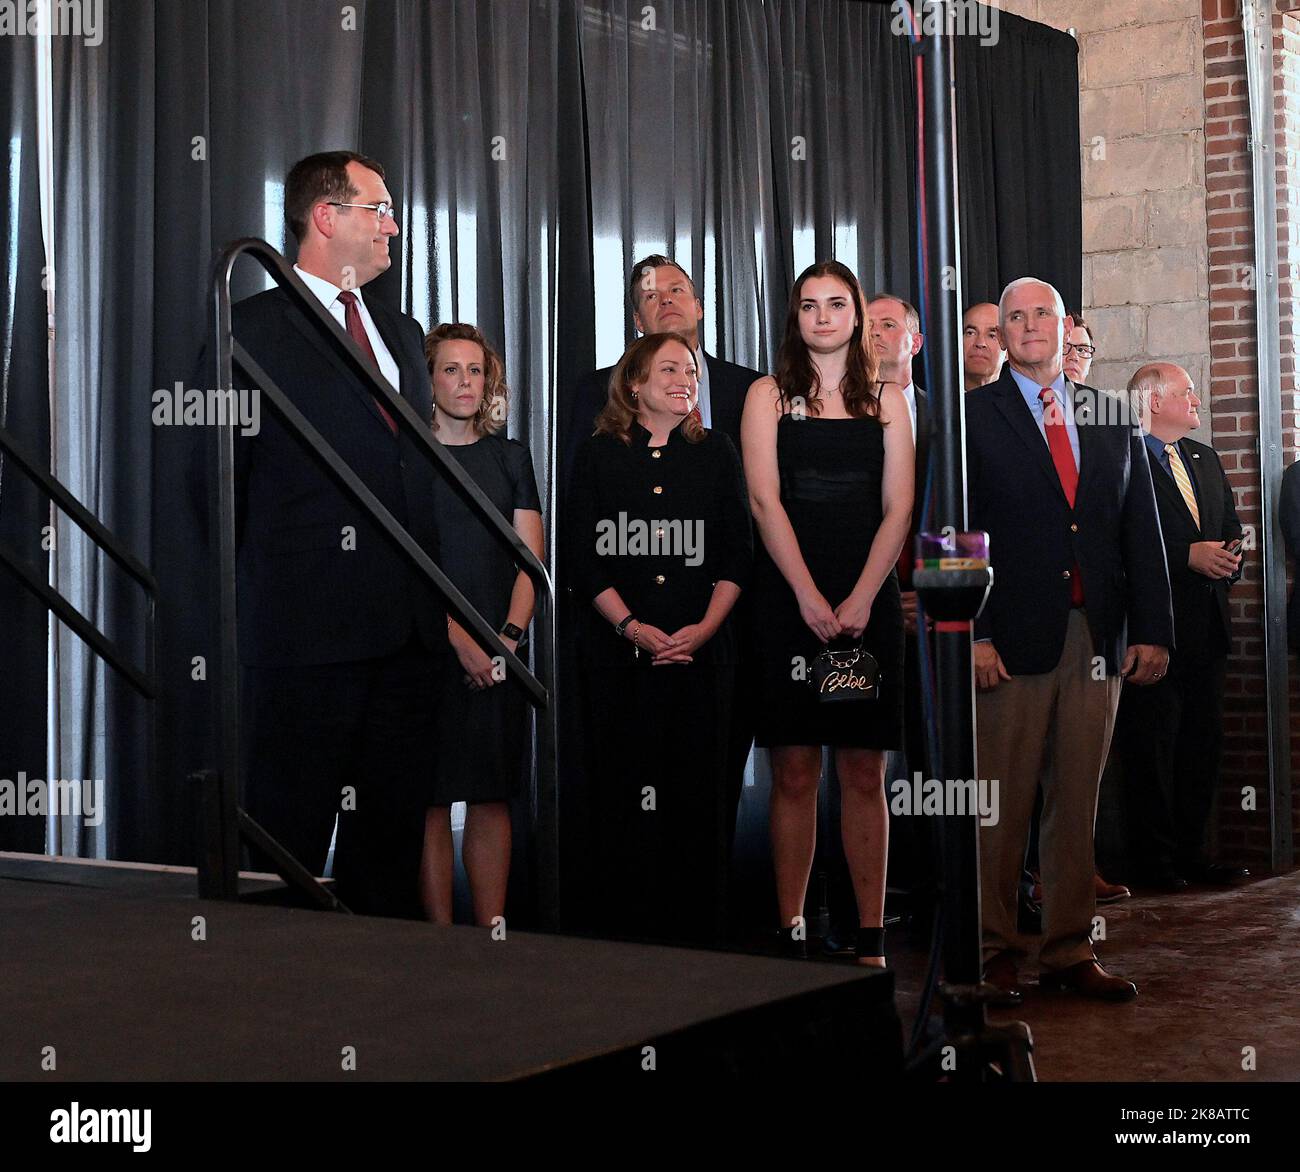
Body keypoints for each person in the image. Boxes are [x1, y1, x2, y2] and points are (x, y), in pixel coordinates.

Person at [202, 151, 447, 918]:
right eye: (379, 208)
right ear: (326, 217)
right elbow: (212, 489)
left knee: (390, 847)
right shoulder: (246, 330)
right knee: (287, 844)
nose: (393, 225)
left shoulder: (403, 335)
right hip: (303, 640)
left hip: (407, 638)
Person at [968, 277, 1172, 1003]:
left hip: (1096, 636)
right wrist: (971, 633)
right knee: (1000, 802)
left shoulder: (1113, 417)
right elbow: (948, 536)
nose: (1028, 327)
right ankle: (992, 951)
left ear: (1065, 326)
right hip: (1006, 641)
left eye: (1041, 315)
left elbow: (1139, 532)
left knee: (1076, 801)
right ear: (1001, 334)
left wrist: (1152, 630)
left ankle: (1066, 951)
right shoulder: (973, 418)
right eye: (1014, 318)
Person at [743, 261, 913, 966]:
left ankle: (871, 938)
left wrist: (863, 598)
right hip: (789, 605)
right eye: (808, 305)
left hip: (864, 604)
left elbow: (899, 506)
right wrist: (809, 597)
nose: (822, 316)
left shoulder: (886, 397)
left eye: (835, 303)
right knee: (793, 772)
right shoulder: (768, 394)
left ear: (856, 316)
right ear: (795, 317)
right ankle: (793, 931)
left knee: (864, 772)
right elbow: (763, 502)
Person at [567, 331, 752, 945]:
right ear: (635, 384)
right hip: (619, 661)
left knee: (698, 803)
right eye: (670, 369)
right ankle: (630, 943)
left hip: (703, 658)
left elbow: (736, 555)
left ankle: (700, 941)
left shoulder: (718, 451)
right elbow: (582, 559)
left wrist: (702, 630)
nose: (685, 379)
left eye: (692, 371)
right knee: (624, 800)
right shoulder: (596, 455)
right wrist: (632, 627)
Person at [419, 324, 544, 927]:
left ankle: (492, 935)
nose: (464, 382)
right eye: (450, 369)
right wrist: (461, 642)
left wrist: (505, 644)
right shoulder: (408, 456)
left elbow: (532, 562)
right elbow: (405, 565)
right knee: (431, 801)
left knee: (493, 797)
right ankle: (440, 945)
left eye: (474, 370)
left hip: (502, 655)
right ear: (429, 379)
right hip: (430, 651)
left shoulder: (511, 456)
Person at [1116, 362, 1247, 891]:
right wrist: (1184, 556)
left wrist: (1227, 558)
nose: (1197, 399)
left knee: (1201, 744)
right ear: (1151, 400)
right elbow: (1115, 546)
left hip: (1207, 630)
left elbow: (1231, 529)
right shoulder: (1122, 460)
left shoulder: (1206, 459)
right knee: (1151, 748)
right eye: (1186, 391)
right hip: (1152, 631)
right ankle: (1154, 864)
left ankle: (1194, 855)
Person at [867, 292, 933, 931]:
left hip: (941, 620)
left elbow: (968, 520)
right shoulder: (841, 417)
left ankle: (943, 894)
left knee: (940, 759)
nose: (875, 335)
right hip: (861, 612)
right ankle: (868, 904)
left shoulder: (950, 421)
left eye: (889, 325)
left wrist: (932, 596)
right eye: (869, 325)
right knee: (863, 763)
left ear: (914, 340)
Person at [962, 302, 1005, 391]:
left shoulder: (1024, 402)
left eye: (992, 335)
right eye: (970, 333)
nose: (980, 343)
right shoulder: (932, 401)